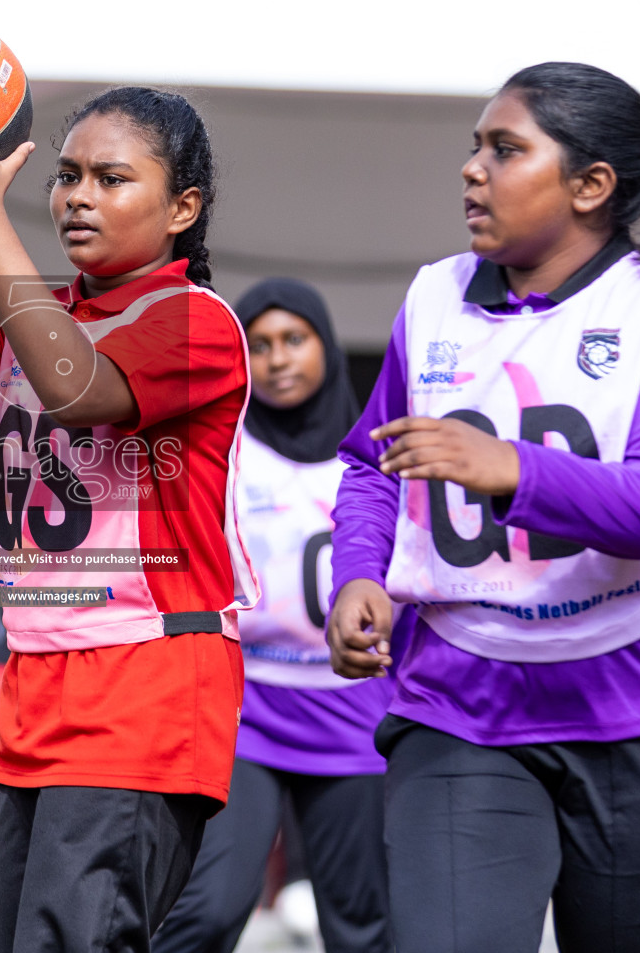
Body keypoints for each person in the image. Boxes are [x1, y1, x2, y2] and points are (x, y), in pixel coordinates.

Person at [328, 62, 640, 953]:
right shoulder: (432, 298)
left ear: (591, 187)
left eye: (505, 150)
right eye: (474, 147)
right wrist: (360, 572)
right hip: (461, 702)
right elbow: (372, 463)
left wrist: (511, 469)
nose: (472, 168)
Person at [0, 79, 257, 953]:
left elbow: (76, 392)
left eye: (111, 179)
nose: (77, 196)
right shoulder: (21, 331)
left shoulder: (198, 322)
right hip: (36, 681)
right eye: (66, 176)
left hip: (149, 676)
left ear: (183, 208)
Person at [155, 279, 392, 953]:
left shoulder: (372, 456)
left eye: (295, 340)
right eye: (259, 346)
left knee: (364, 923)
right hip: (245, 712)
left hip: (353, 713)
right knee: (205, 909)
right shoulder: (221, 450)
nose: (279, 359)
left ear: (328, 347)